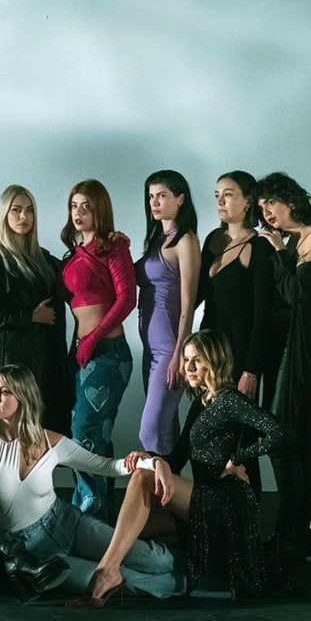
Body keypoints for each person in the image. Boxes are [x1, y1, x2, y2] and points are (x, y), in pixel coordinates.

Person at [78, 330, 287, 604]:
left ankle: (107, 573)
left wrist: (237, 458)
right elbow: (176, 459)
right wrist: (148, 455)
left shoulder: (230, 400)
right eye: (186, 360)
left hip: (226, 504)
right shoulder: (201, 402)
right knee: (127, 529)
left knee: (143, 478)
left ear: (215, 360)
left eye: (196, 360)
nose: (188, 367)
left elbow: (280, 432)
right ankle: (118, 571)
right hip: (202, 503)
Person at [0, 364, 186, 601]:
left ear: (23, 396)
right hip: (35, 552)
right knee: (120, 582)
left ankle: (187, 557)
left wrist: (151, 462)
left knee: (158, 561)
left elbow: (108, 466)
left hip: (68, 523)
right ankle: (184, 582)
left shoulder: (51, 440)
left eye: (4, 391)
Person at [256, 172, 311, 558]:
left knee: (284, 439)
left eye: (271, 202)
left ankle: (292, 530)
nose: (267, 211)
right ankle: (306, 532)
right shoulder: (288, 242)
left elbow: (298, 294)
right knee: (296, 440)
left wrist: (278, 253)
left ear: (291, 200)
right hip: (284, 348)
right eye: (262, 206)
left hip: (303, 349)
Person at [60, 179, 136, 521]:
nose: (78, 212)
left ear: (100, 210)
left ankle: (89, 514)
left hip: (107, 353)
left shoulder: (114, 247)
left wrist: (93, 337)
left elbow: (127, 298)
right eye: (74, 206)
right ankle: (97, 517)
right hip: (81, 353)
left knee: (83, 433)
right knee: (96, 436)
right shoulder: (74, 254)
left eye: (86, 206)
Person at [197, 170, 276, 497]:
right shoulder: (213, 241)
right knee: (206, 437)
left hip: (241, 356)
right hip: (209, 355)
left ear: (247, 201)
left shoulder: (260, 246)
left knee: (240, 442)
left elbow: (263, 316)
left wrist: (251, 370)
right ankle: (211, 514)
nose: (220, 201)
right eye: (217, 194)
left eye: (228, 194)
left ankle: (248, 517)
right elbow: (199, 296)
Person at [0, 185, 72, 434]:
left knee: (44, 427)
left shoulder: (44, 259)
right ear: (4, 214)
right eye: (16, 210)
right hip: (12, 358)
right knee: (15, 428)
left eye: (29, 210)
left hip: (45, 356)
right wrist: (30, 317)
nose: (23, 217)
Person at [134, 170, 200, 454]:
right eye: (151, 196)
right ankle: (167, 484)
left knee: (150, 433)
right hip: (149, 349)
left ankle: (165, 483)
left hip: (168, 350)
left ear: (180, 199)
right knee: (164, 434)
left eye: (162, 195)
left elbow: (189, 303)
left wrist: (179, 355)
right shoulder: (157, 239)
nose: (154, 202)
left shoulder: (185, 241)